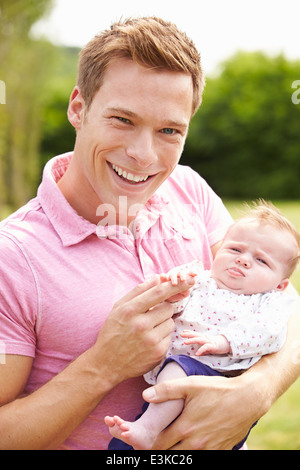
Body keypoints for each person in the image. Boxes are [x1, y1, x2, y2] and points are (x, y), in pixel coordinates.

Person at [0, 17, 299, 450]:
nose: (143, 155)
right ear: (78, 108)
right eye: (122, 120)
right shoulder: (13, 256)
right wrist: (102, 366)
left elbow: (283, 305)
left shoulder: (188, 189)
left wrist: (259, 389)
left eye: (169, 131)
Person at [105, 201, 300, 450]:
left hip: (221, 378)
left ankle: (147, 429)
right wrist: (172, 293)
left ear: (280, 284)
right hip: (178, 376)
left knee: (180, 382)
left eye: (261, 260)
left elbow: (269, 332)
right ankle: (141, 433)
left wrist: (225, 341)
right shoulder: (200, 281)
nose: (244, 261)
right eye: (235, 249)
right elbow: (170, 308)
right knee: (125, 446)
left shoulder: (269, 301)